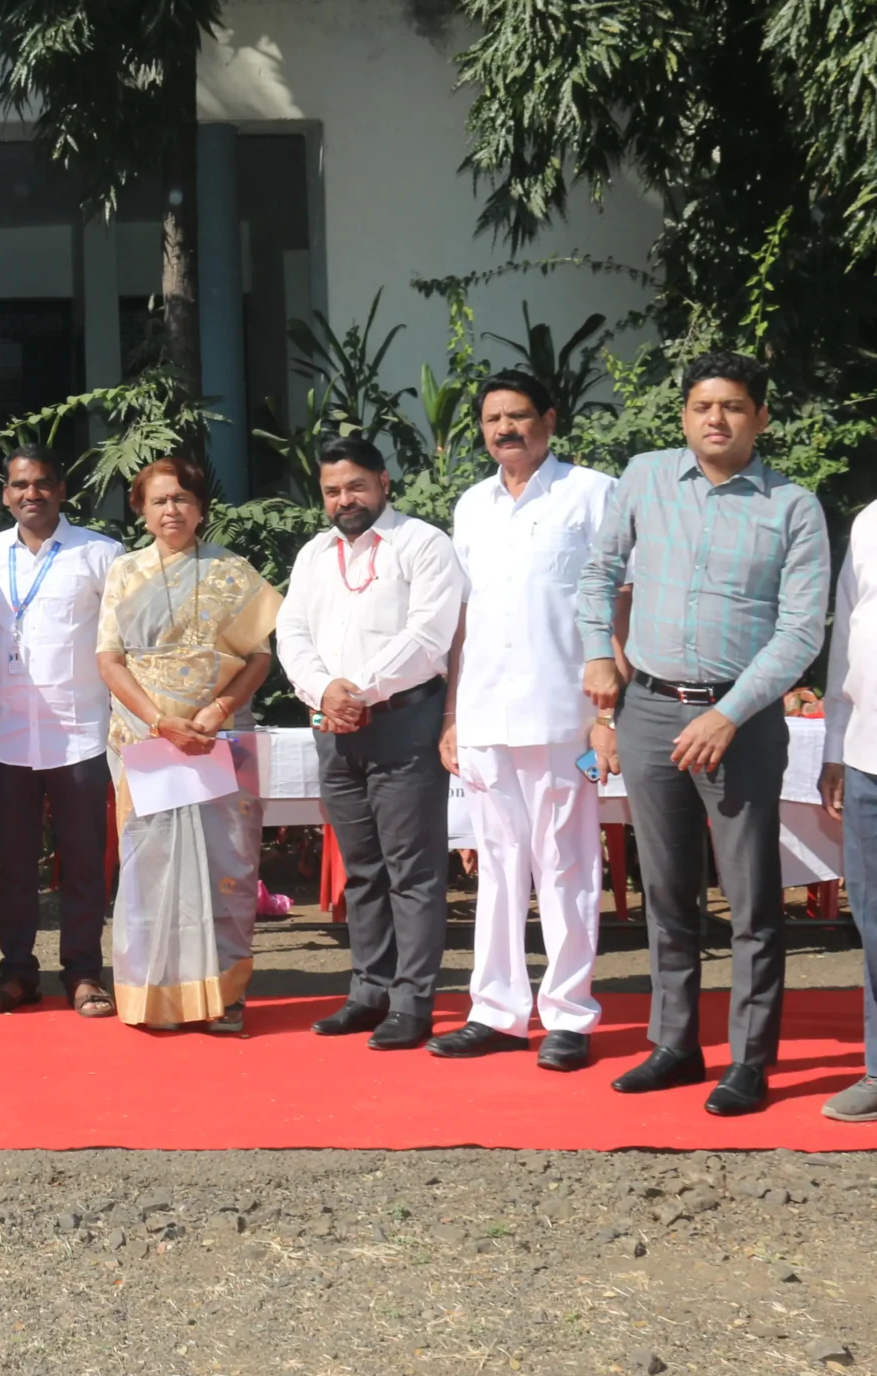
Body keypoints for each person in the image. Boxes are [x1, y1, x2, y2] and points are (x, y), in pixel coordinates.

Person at [583, 350, 830, 1116]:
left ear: (761, 416)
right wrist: (599, 655)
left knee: (751, 900)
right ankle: (676, 1044)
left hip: (741, 720)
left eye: (732, 406)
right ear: (685, 414)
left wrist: (730, 713)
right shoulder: (645, 477)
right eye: (701, 405)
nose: (714, 418)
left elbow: (801, 631)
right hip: (650, 709)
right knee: (666, 890)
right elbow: (598, 572)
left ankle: (749, 1061)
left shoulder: (793, 506)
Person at [430, 372, 615, 1069]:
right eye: (492, 419)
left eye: (518, 416)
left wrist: (609, 712)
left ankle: (570, 1015)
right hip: (484, 712)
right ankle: (497, 1011)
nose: (504, 429)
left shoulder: (592, 493)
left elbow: (618, 601)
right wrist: (453, 712)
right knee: (498, 867)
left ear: (549, 419)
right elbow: (464, 617)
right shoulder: (472, 505)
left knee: (568, 865)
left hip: (566, 714)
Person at [276, 434, 466, 1051]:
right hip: (334, 726)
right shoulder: (313, 554)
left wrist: (359, 690)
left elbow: (429, 634)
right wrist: (324, 690)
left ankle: (412, 1002)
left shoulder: (423, 544)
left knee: (412, 870)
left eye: (356, 486)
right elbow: (291, 631)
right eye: (332, 490)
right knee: (361, 870)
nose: (344, 499)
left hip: (403, 722)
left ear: (384, 482)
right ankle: (369, 991)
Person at [94, 458, 281, 1032]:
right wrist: (159, 722)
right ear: (141, 510)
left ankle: (226, 995)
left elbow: (260, 657)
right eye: (159, 500)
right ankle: (156, 995)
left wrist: (215, 711)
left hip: (218, 737)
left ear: (201, 508)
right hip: (147, 740)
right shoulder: (124, 573)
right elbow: (110, 659)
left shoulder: (232, 571)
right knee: (149, 866)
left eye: (182, 498)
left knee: (228, 862)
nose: (171, 510)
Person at [0, 444, 125, 1017]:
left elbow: (123, 646)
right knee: (14, 863)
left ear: (61, 490)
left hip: (80, 734)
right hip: (6, 734)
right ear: (6, 495)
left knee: (84, 862)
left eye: (43, 483)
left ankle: (83, 973)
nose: (32, 494)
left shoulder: (101, 555)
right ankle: (17, 972)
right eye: (21, 485)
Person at [821, 492, 877, 1122]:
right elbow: (847, 643)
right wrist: (834, 746)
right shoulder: (870, 521)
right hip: (867, 755)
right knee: (874, 922)